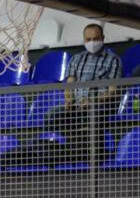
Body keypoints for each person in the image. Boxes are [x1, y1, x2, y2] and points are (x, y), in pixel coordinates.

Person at [44, 24, 121, 162]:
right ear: (84, 40)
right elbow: (69, 86)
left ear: (103, 38)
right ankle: (77, 144)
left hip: (99, 105)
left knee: (94, 111)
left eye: (95, 38)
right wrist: (68, 100)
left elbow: (112, 91)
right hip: (77, 106)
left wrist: (92, 101)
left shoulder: (113, 60)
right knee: (52, 115)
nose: (92, 42)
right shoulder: (76, 59)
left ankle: (82, 147)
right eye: (88, 39)